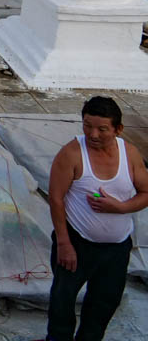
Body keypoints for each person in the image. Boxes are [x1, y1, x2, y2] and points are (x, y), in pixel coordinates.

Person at [45, 96, 148, 341]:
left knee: (104, 303)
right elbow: (56, 198)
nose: (93, 134)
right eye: (87, 126)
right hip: (77, 243)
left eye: (102, 129)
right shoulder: (71, 153)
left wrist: (121, 207)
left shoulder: (129, 154)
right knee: (63, 301)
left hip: (116, 248)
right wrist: (63, 243)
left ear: (117, 129)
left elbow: (146, 192)